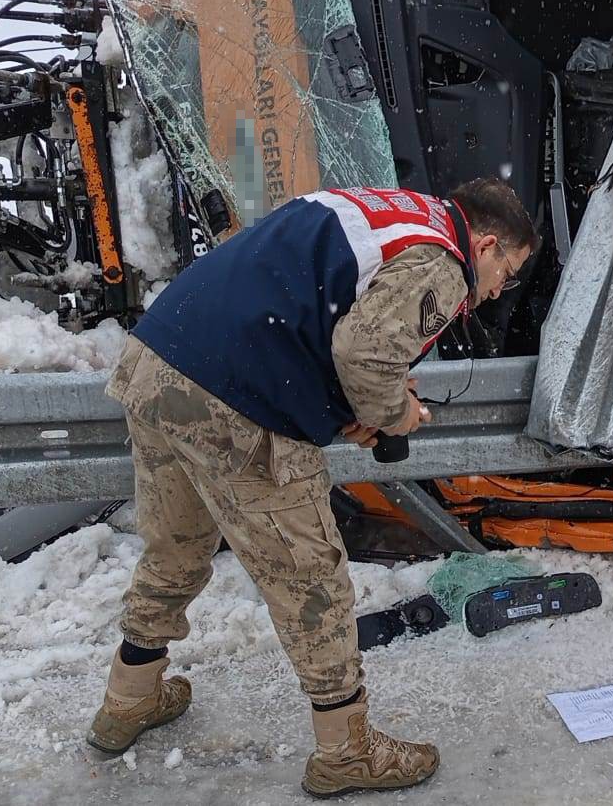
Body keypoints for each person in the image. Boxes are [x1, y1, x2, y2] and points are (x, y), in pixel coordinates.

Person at [87, 177, 536, 798]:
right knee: (312, 582)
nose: (495, 291)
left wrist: (347, 401)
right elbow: (369, 353)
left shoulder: (392, 211)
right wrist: (393, 414)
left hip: (161, 361)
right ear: (485, 245)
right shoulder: (444, 261)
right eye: (505, 272)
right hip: (235, 401)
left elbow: (312, 309)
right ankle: (346, 751)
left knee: (177, 547)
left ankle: (128, 696)